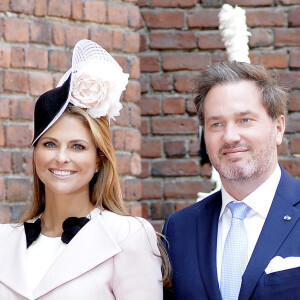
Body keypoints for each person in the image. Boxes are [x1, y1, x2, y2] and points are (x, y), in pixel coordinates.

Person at [0, 39, 164, 299]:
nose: (61, 157)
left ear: (99, 158)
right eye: (50, 144)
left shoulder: (128, 236)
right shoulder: (4, 241)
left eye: (77, 147)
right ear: (35, 153)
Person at [163, 61, 300, 300]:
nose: (230, 136)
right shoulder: (179, 228)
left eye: (245, 120)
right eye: (216, 124)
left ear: (278, 128)